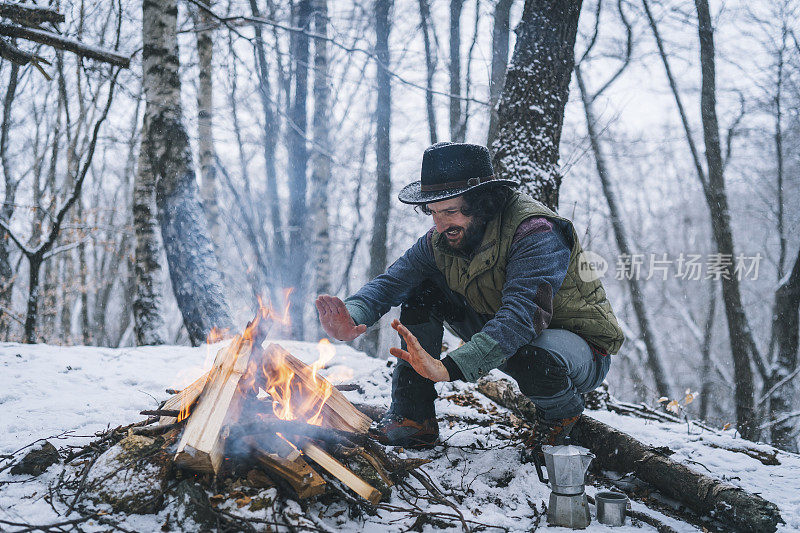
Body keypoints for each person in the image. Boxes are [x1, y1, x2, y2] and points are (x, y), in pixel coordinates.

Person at [316, 142, 625, 451]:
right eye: (434, 213)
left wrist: (449, 367)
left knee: (531, 351)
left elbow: (521, 319)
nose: (441, 225)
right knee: (423, 292)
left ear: (484, 203)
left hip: (577, 349)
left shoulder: (535, 232)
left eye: (450, 211)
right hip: (504, 331)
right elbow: (391, 282)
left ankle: (560, 414)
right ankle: (414, 418)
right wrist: (353, 315)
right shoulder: (442, 238)